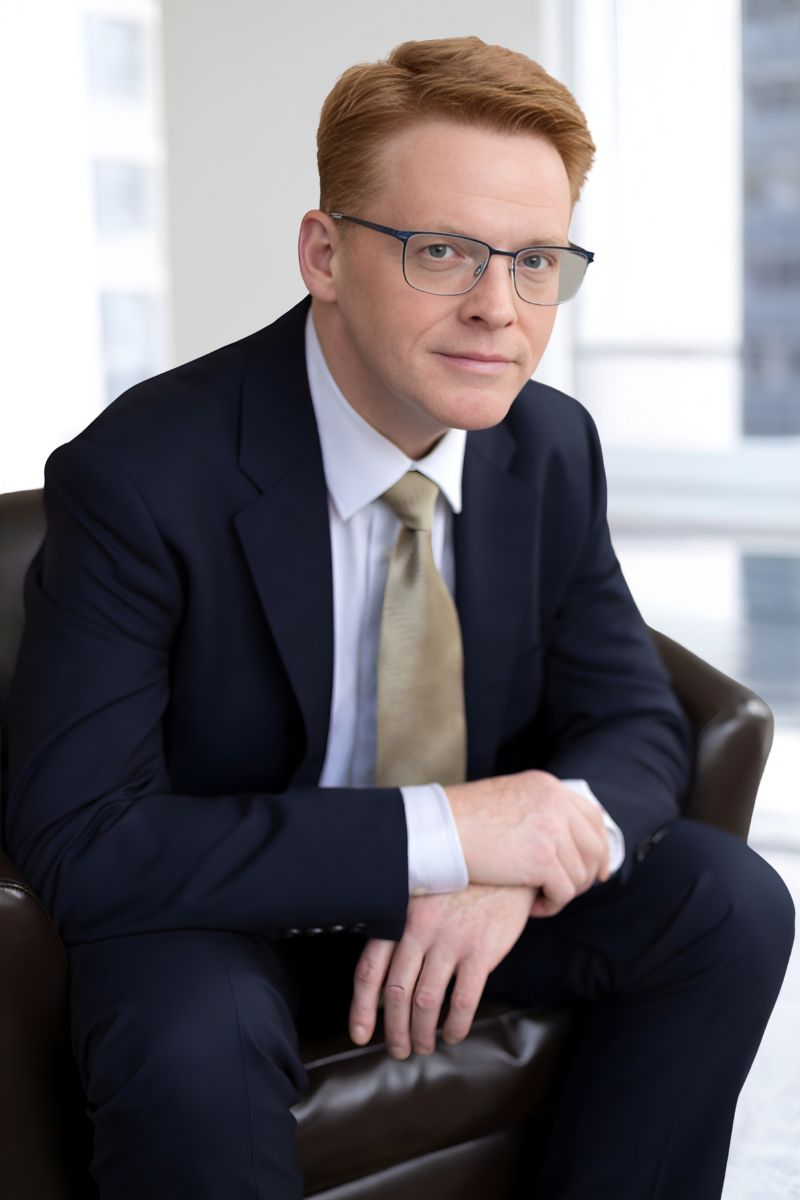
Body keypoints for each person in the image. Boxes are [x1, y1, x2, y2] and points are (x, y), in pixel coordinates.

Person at [6, 36, 794, 1200]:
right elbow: (88, 844)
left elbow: (632, 716)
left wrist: (511, 866)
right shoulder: (140, 475)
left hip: (457, 893)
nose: (498, 309)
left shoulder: (548, 446)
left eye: (535, 262)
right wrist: (446, 835)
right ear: (324, 253)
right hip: (218, 911)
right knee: (189, 1041)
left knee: (725, 903)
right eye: (442, 252)